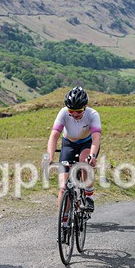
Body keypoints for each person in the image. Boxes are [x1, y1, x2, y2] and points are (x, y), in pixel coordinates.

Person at [45, 86, 101, 214]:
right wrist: (50, 156)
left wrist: (92, 155)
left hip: (87, 143)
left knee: (84, 163)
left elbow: (96, 138)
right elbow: (54, 136)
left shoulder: (93, 115)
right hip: (69, 143)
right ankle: (64, 221)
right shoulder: (63, 113)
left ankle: (88, 196)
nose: (75, 114)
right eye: (71, 111)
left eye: (79, 111)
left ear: (85, 107)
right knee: (63, 187)